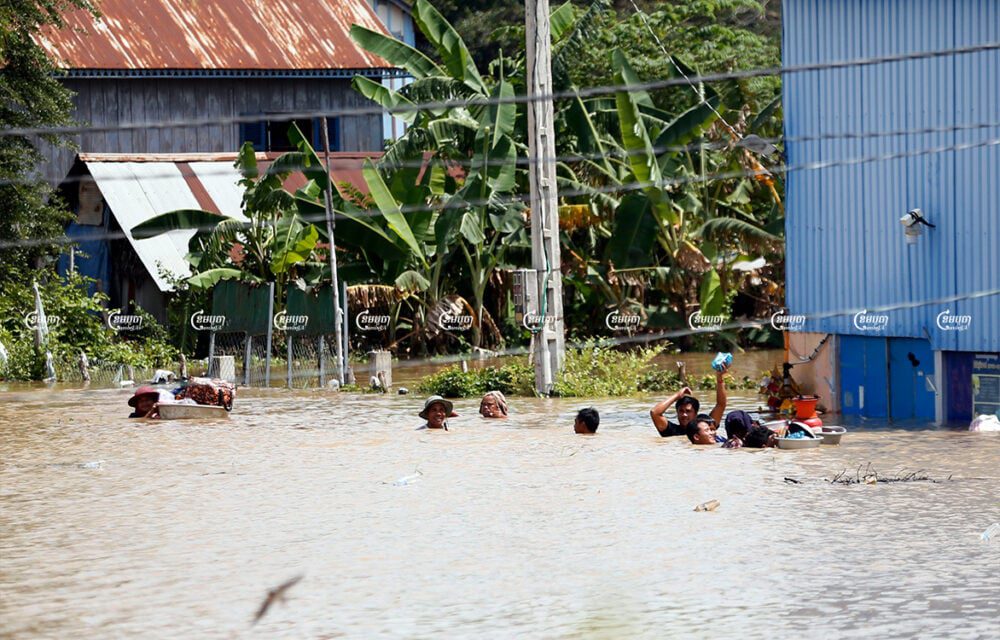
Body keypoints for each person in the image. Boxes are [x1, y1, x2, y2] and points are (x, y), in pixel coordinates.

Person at [649, 364, 729, 437]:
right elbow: (654, 412)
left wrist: (720, 379)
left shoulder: (706, 429)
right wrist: (677, 395)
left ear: (696, 414)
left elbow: (721, 405)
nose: (684, 415)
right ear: (677, 412)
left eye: (688, 411)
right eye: (681, 411)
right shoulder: (671, 431)